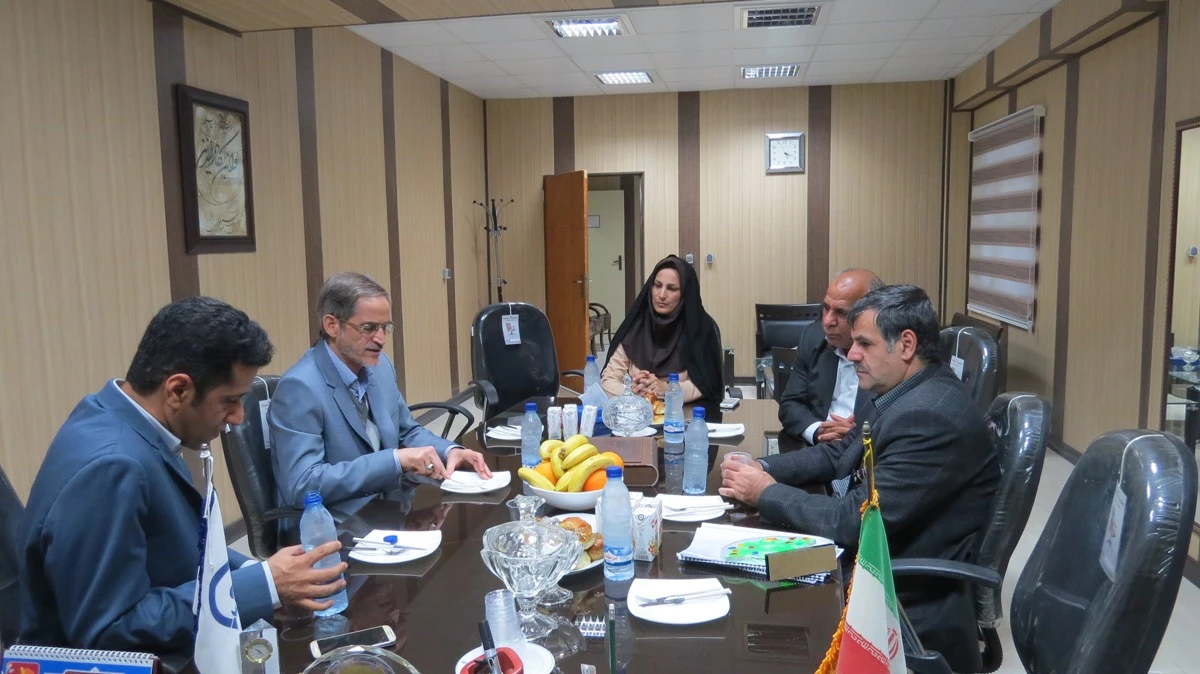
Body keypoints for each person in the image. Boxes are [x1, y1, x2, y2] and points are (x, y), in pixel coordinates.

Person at [19, 297, 347, 655]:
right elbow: (109, 630)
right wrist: (266, 585)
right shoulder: (111, 467)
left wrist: (266, 574)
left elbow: (188, 545)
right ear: (177, 390)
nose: (239, 417)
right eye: (230, 401)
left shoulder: (129, 421)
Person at [719, 285, 998, 672]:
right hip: (872, 561)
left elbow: (853, 522)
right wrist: (763, 467)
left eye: (864, 344)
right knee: (734, 570)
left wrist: (765, 492)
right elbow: (839, 453)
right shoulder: (901, 389)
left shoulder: (929, 417)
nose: (851, 354)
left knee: (745, 611)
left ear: (906, 344)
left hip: (897, 592)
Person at [270, 272, 490, 512]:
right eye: (369, 327)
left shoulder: (380, 366)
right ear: (332, 325)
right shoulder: (300, 387)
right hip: (335, 519)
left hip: (388, 504)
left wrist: (450, 450)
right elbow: (303, 485)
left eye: (385, 327)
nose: (381, 339)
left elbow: (407, 431)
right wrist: (394, 460)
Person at [778, 268, 883, 444]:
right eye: (826, 308)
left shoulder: (888, 356)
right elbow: (790, 404)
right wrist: (818, 431)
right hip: (817, 448)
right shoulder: (813, 338)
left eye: (841, 313)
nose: (827, 321)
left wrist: (858, 436)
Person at [600, 255, 723, 402]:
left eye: (672, 288)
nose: (662, 295)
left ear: (685, 293)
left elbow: (705, 385)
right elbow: (608, 379)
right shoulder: (636, 326)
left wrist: (666, 389)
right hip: (635, 411)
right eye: (657, 286)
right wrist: (633, 393)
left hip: (682, 413)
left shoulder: (700, 329)